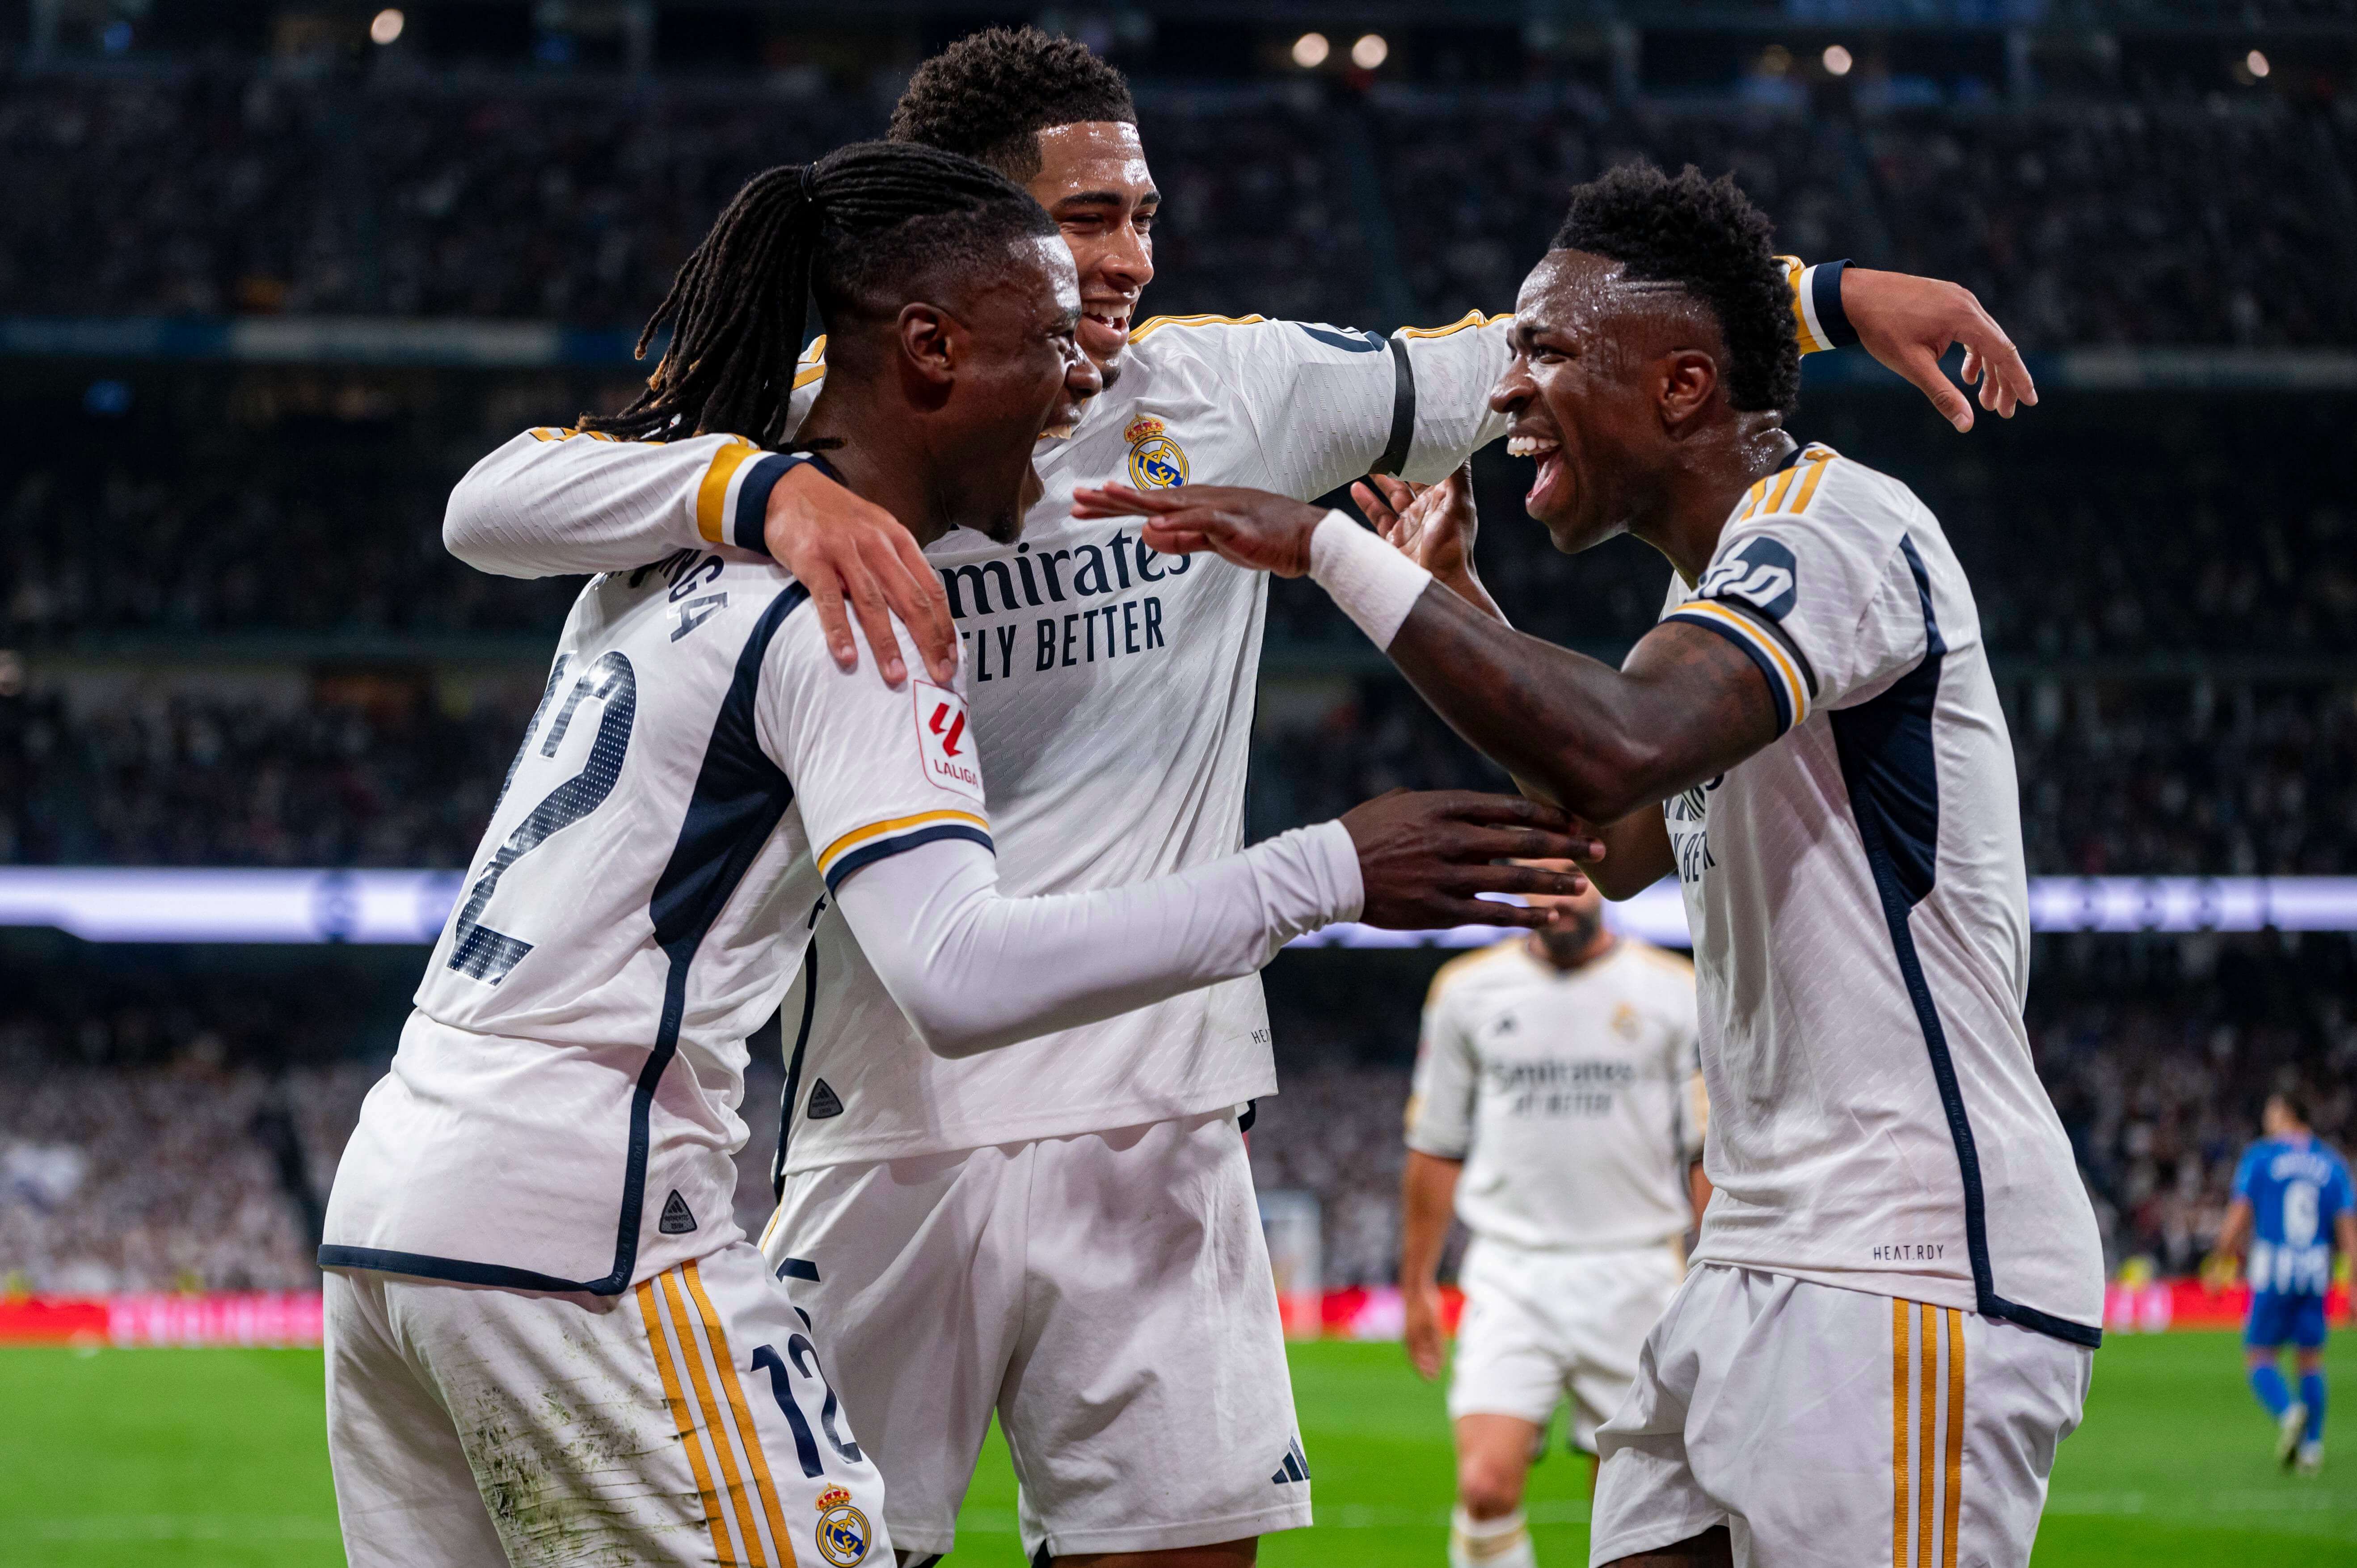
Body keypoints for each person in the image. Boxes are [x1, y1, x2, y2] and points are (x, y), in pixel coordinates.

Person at [439, 30, 2042, 1565]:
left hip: (1164, 1124)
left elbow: (1550, 347)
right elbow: (505, 497)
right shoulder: (837, 415)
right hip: (892, 1127)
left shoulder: (1234, 388)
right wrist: (759, 484)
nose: (1132, 254)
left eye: (1143, 212)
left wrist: (1827, 297)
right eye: (1087, 219)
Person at [318, 140, 1592, 1568]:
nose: (1075, 385)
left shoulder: (655, 529)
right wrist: (1328, 872)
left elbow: (498, 499)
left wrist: (751, 490)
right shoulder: (859, 607)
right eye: (1046, 344)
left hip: (392, 1216)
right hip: (587, 1226)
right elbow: (959, 969)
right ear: (926, 348)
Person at [1073, 161, 2106, 1568]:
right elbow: (1608, 841)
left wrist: (1325, 548)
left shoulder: (1838, 529)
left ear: (1681, 386)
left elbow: (1620, 748)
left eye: (1546, 350)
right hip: (1752, 1256)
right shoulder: (1709, 594)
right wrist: (1447, 595)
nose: (1504, 390)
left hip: (1904, 1260)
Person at [1400, 873, 1708, 1568]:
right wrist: (1416, 1281)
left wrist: (1711, 1269)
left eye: (1571, 881)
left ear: (1606, 881)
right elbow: (1435, 1143)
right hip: (1511, 1268)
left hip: (1636, 1269)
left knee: (1632, 1515)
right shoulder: (1466, 989)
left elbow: (1704, 1148)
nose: (1558, 899)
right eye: (1537, 884)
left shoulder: (1675, 988)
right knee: (1483, 1487)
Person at [2206, 1089, 2356, 1475]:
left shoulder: (2262, 1157)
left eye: (2271, 1111)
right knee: (2311, 1361)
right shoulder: (2331, 1163)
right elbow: (2347, 1232)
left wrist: (2219, 1259)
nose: (2266, 1119)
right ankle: (2312, 1451)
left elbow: (2238, 1217)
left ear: (2287, 1113)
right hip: (2313, 1272)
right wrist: (2352, 1282)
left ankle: (2289, 1413)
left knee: (2259, 1356)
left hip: (2274, 1270)